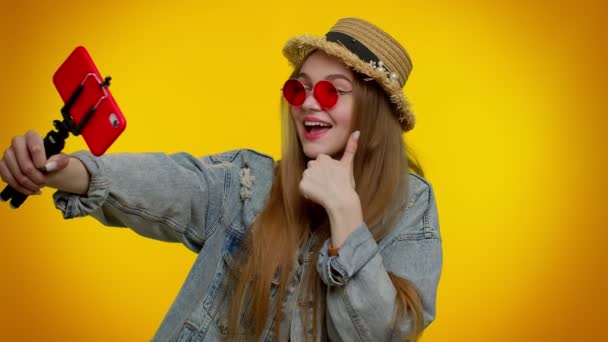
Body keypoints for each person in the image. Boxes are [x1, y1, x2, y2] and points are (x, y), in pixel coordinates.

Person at [0, 18, 442, 341]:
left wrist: (346, 215)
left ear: (374, 110)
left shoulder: (411, 206)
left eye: (331, 91)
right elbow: (174, 184)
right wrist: (60, 170)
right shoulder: (252, 183)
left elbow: (385, 334)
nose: (309, 104)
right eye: (298, 88)